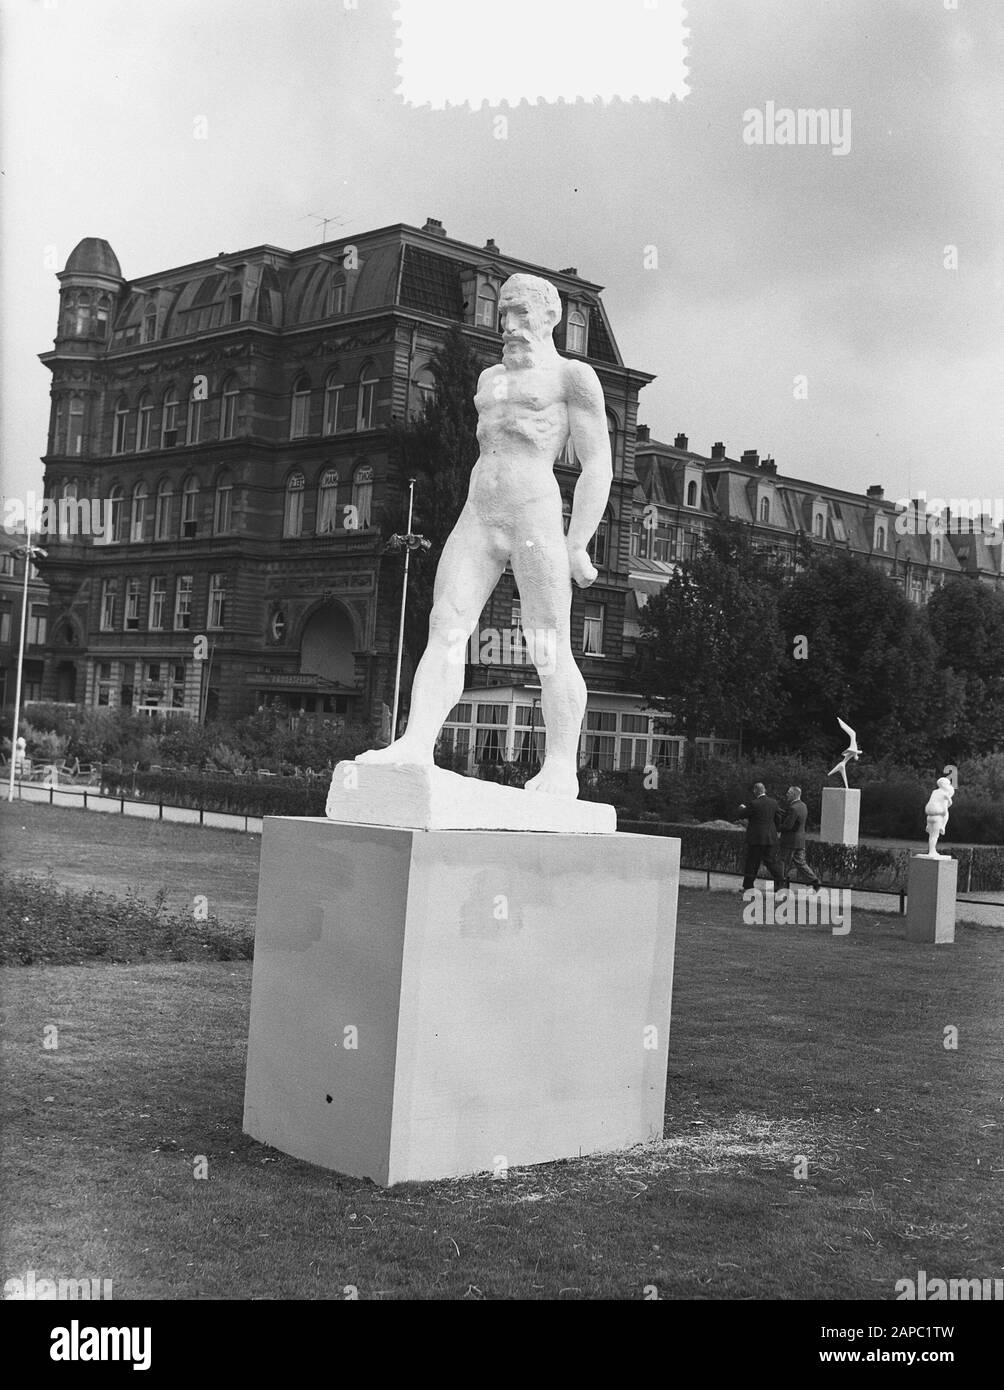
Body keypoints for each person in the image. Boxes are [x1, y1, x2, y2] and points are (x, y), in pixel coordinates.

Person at [358, 273, 612, 798]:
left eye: (521, 313)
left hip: (534, 516)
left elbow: (598, 465)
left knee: (548, 642)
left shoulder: (573, 377)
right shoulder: (488, 378)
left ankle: (561, 764)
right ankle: (415, 743)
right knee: (445, 624)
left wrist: (578, 541)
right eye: (503, 316)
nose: (510, 325)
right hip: (479, 512)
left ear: (550, 316)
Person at [736, 782, 785, 890]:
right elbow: (778, 818)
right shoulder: (774, 802)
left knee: (752, 863)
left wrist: (741, 808)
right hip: (771, 838)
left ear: (755, 791)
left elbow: (742, 815)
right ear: (765, 790)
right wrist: (775, 830)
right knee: (771, 862)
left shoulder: (754, 803)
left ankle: (748, 887)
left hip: (756, 839)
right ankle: (781, 883)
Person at [778, 785, 821, 890]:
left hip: (789, 841)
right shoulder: (803, 806)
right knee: (801, 862)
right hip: (800, 840)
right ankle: (814, 880)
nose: (786, 794)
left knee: (782, 861)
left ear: (793, 794)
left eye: (788, 793)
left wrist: (776, 828)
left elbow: (788, 825)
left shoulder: (793, 808)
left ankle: (780, 885)